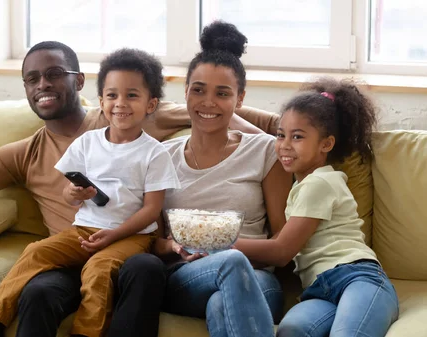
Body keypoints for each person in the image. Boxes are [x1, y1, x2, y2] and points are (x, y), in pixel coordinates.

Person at [0, 41, 189, 337]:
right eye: (32, 78)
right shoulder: (25, 153)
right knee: (38, 293)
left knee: (134, 270)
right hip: (71, 252)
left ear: (78, 81)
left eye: (54, 74)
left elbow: (209, 110)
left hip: (128, 251)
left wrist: (238, 132)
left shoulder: (128, 113)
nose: (43, 84)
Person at [153, 21, 293, 337]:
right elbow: (152, 241)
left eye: (222, 93)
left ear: (239, 99)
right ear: (185, 92)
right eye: (199, 90)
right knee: (228, 265)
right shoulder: (162, 156)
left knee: (222, 299)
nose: (208, 103)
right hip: (185, 278)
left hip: (259, 279)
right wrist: (176, 247)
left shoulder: (265, 152)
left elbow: (282, 244)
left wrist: (219, 248)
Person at [234, 77, 399, 337]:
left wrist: (220, 242)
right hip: (319, 289)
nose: (285, 145)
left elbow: (281, 252)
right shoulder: (301, 186)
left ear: (326, 144)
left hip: (358, 278)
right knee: (290, 330)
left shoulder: (321, 182)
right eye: (280, 135)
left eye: (297, 137)